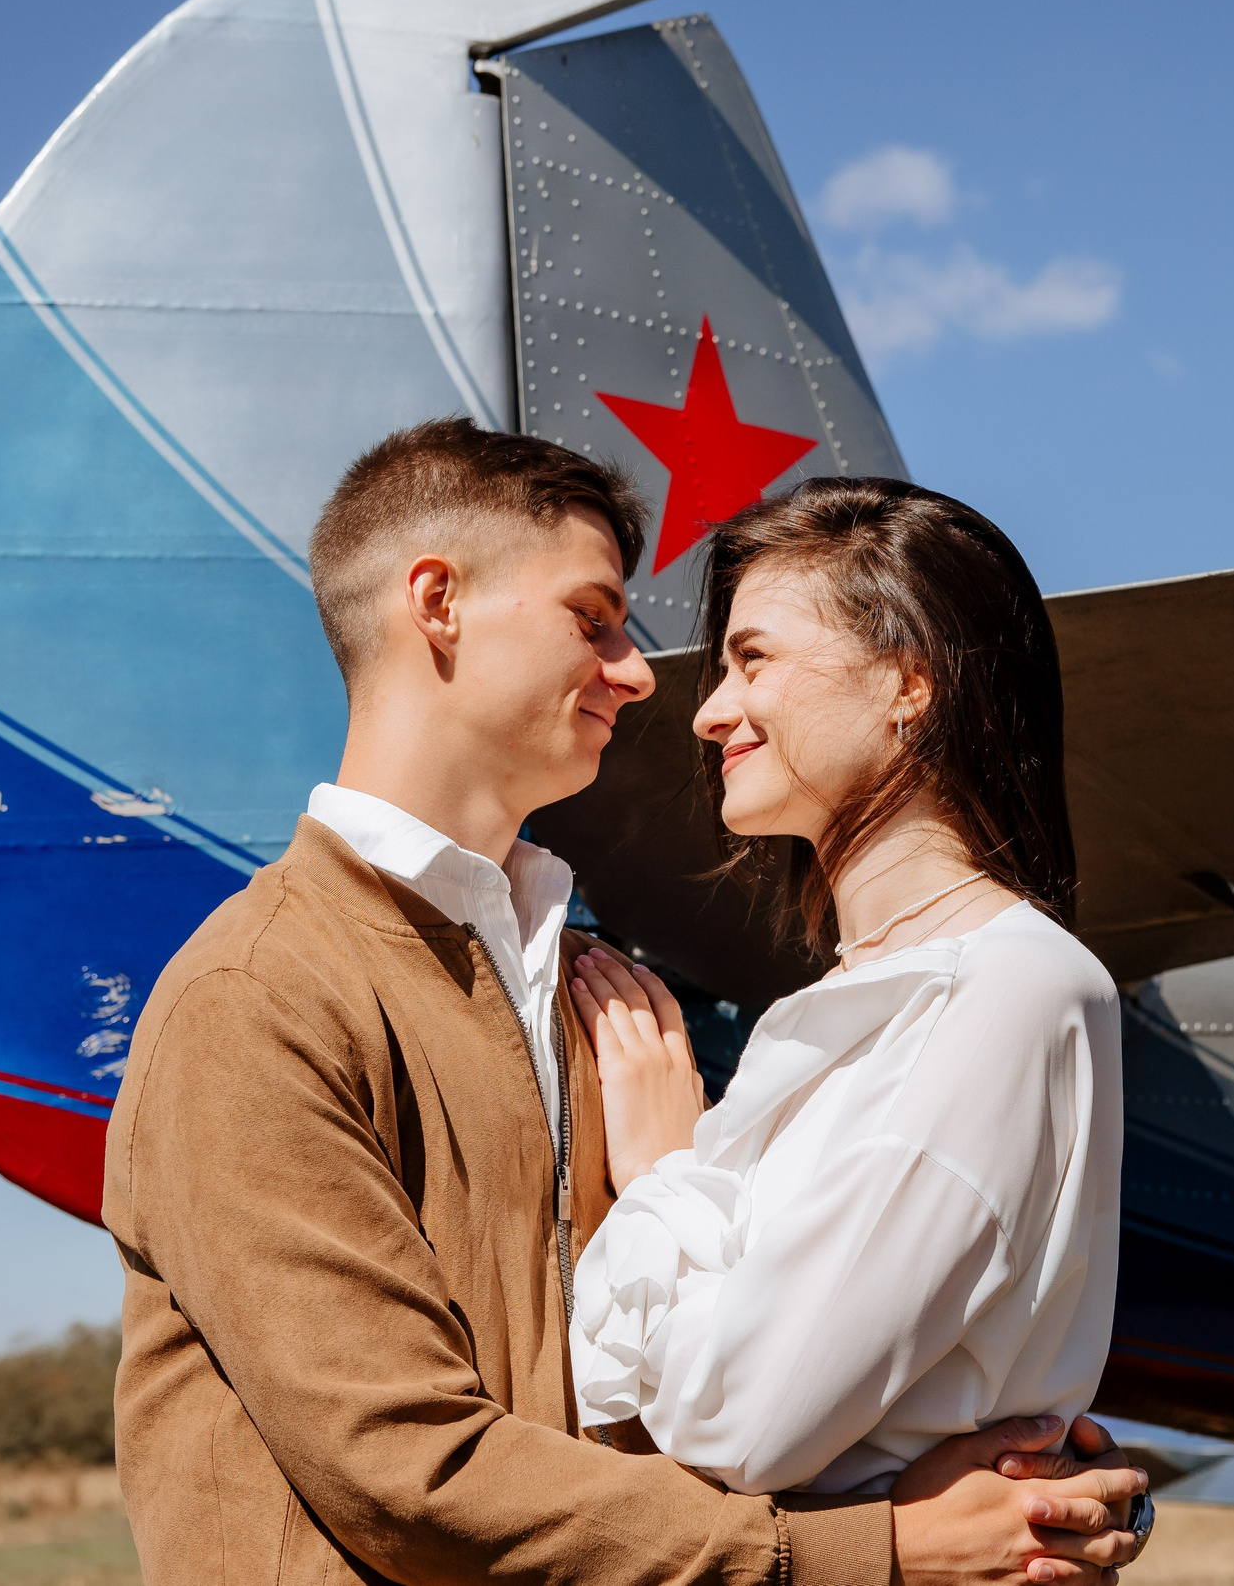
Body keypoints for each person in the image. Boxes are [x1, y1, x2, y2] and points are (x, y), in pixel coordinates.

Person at [102, 420, 1148, 1586]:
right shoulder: (258, 997)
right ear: (436, 604)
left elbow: (640, 1412)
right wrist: (873, 1548)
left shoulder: (587, 1002)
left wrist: (998, 1465)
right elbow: (411, 1473)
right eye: (592, 618)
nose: (647, 677)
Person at [566, 480, 1131, 1510]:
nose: (708, 711)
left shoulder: (1005, 993)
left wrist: (660, 1173)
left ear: (907, 682)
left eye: (755, 659)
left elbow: (740, 1422)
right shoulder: (870, 997)